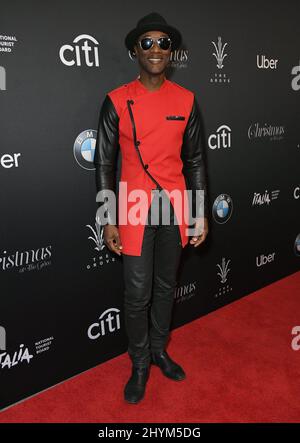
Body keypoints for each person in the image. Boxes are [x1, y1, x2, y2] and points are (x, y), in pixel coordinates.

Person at [94, 12, 209, 404]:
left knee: (165, 286)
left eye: (162, 43)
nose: (155, 49)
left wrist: (199, 212)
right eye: (147, 43)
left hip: (175, 207)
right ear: (134, 50)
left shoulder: (187, 100)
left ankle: (159, 350)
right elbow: (104, 163)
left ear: (172, 51)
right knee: (137, 291)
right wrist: (107, 216)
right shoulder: (115, 100)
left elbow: (194, 161)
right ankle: (139, 361)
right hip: (134, 207)